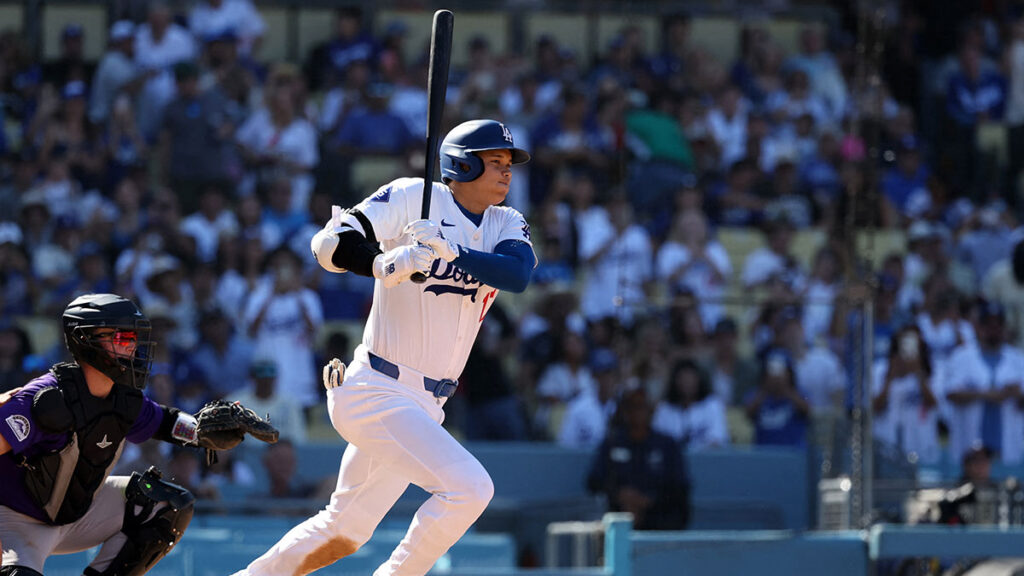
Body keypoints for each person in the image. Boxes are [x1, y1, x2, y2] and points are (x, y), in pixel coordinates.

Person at [234, 119, 534, 576]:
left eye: (509, 163)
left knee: (344, 531)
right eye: (495, 161)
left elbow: (518, 274)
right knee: (471, 489)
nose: (506, 172)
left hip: (426, 405)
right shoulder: (415, 197)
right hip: (379, 387)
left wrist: (451, 251)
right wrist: (384, 262)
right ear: (462, 163)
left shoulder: (505, 221)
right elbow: (327, 245)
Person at [0, 293, 277, 575]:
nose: (131, 347)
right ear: (85, 339)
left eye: (132, 339)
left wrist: (202, 431)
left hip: (79, 515)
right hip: (16, 522)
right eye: (121, 339)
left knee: (167, 505)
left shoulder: (124, 400)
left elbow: (166, 424)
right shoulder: (42, 400)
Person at [586, 387, 690, 530]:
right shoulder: (612, 442)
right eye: (631, 407)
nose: (636, 413)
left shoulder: (667, 445)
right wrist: (620, 495)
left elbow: (680, 488)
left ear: (651, 410)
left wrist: (648, 501)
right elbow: (594, 481)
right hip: (618, 516)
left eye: (641, 407)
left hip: (658, 518)